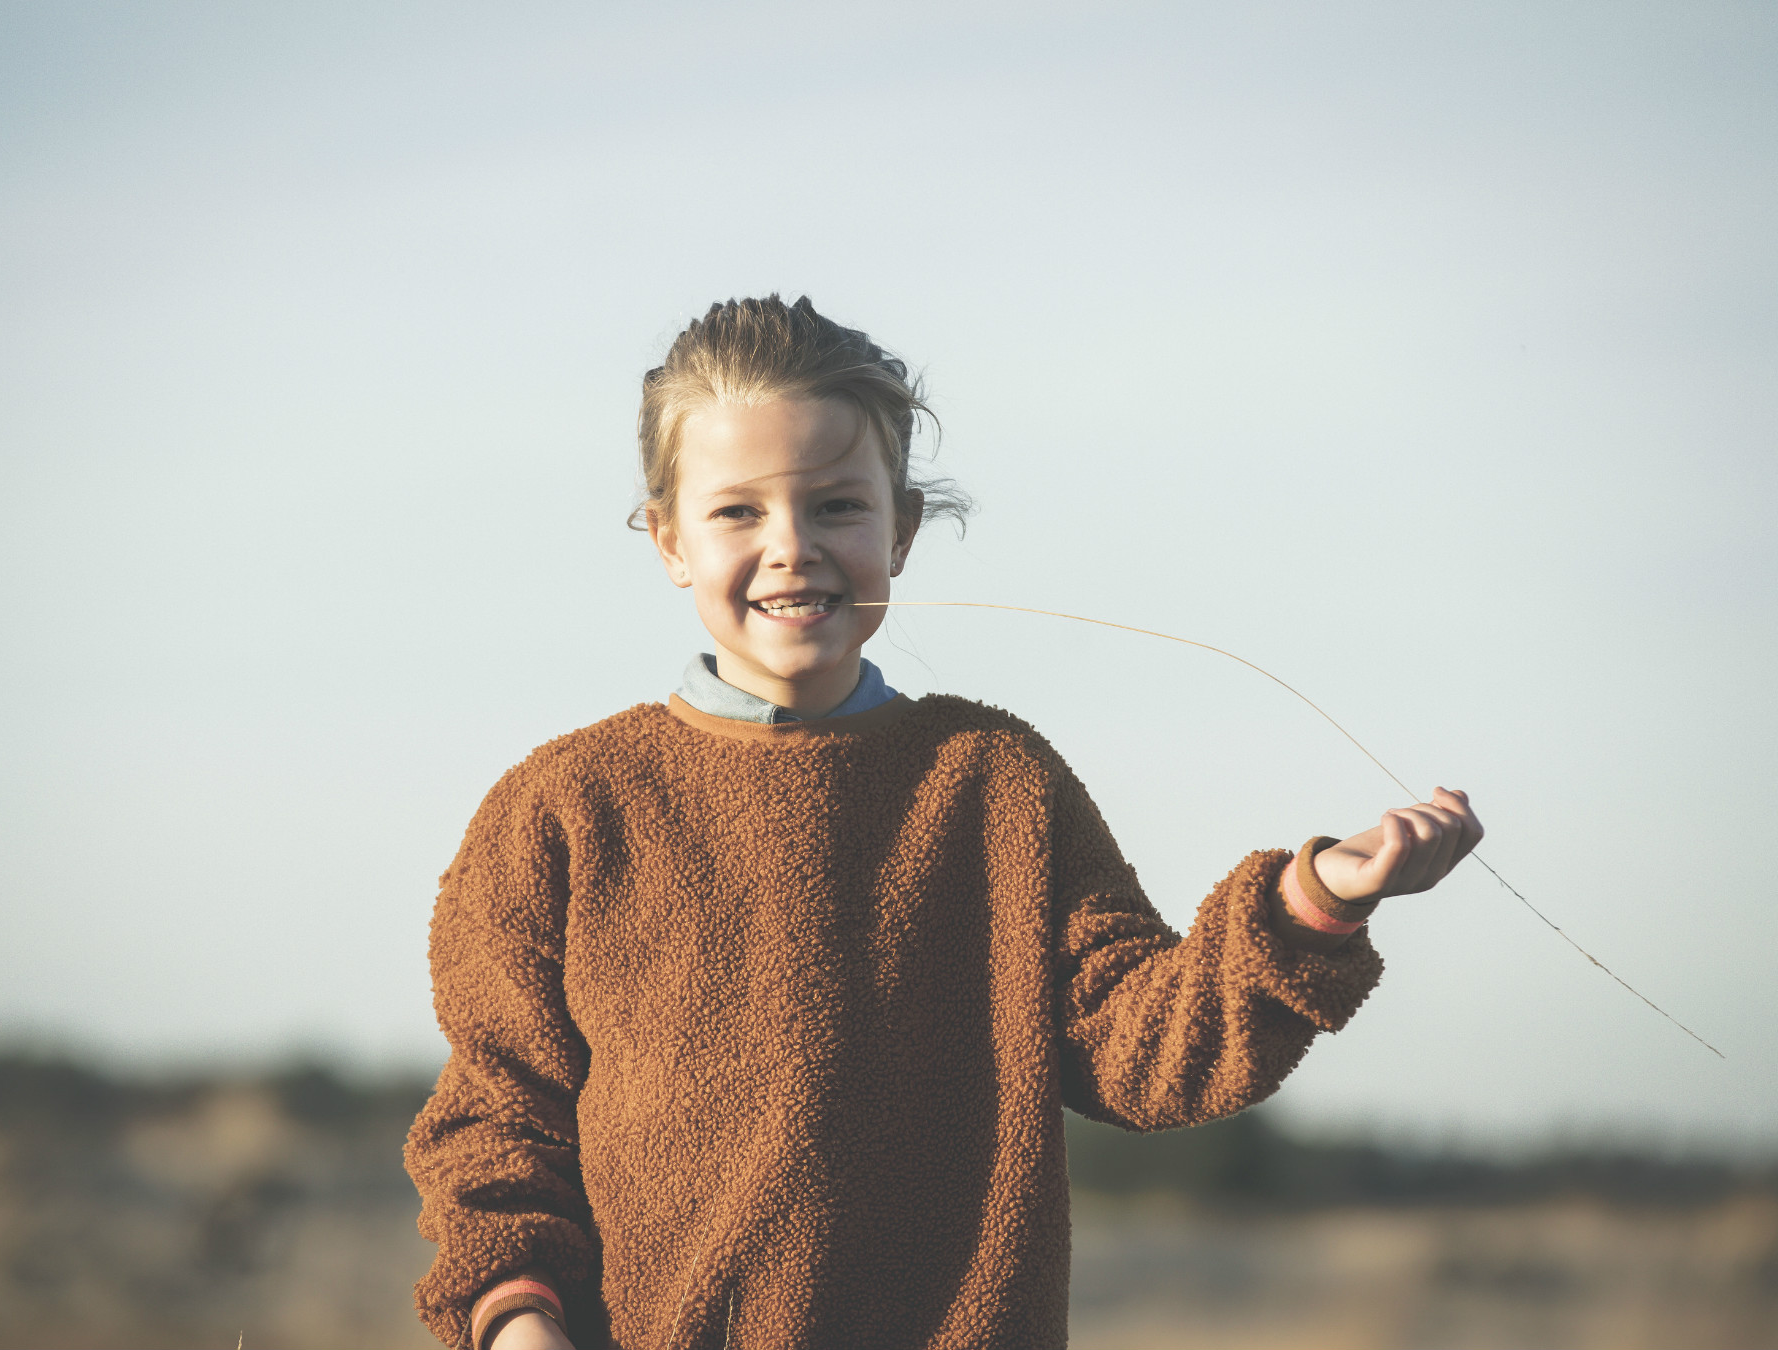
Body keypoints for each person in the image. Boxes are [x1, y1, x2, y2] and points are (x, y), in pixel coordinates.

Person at [404, 295, 1483, 1350]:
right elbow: (498, 1124)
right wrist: (515, 1318)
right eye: (738, 512)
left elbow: (1143, 1049)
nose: (790, 547)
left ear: (902, 531)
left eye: (836, 507)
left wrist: (1313, 902)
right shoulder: (564, 806)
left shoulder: (993, 780)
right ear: (668, 540)